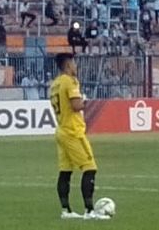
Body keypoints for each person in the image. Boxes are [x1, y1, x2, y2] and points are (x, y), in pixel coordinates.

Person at [49, 53, 110, 220]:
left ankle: (66, 210)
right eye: (74, 63)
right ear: (68, 65)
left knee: (65, 171)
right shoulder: (70, 81)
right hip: (73, 131)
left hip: (61, 130)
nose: (76, 67)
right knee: (90, 167)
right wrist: (85, 102)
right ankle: (90, 211)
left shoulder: (54, 84)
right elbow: (76, 105)